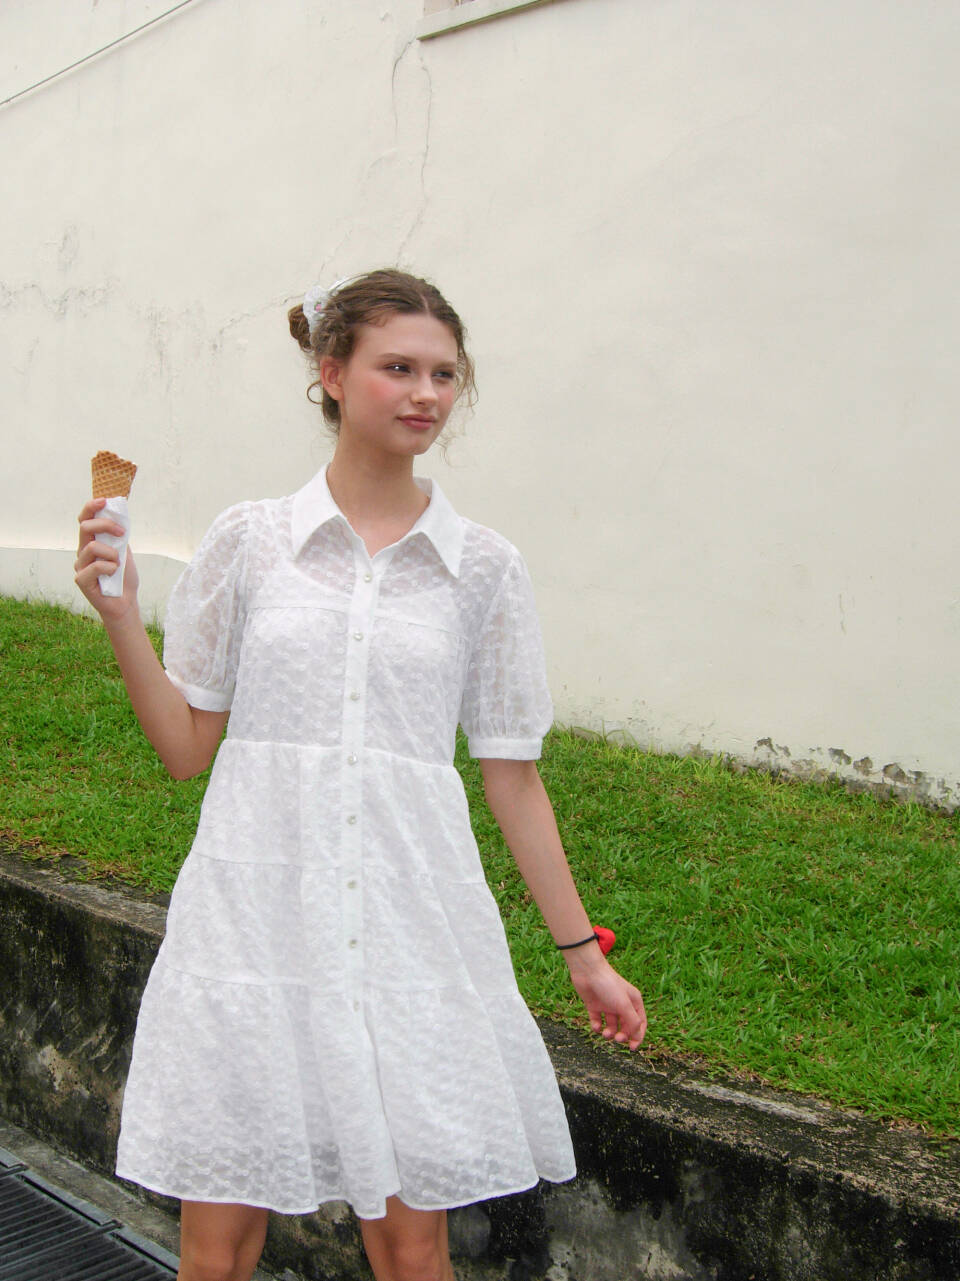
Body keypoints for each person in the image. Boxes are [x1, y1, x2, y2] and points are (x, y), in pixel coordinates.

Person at [74, 268, 647, 1281]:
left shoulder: (484, 569)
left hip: (408, 929)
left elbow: (514, 778)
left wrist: (582, 954)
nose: (426, 393)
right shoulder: (250, 540)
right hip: (252, 926)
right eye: (399, 369)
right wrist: (120, 614)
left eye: (444, 374)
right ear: (332, 374)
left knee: (411, 1239)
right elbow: (185, 748)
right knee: (218, 1242)